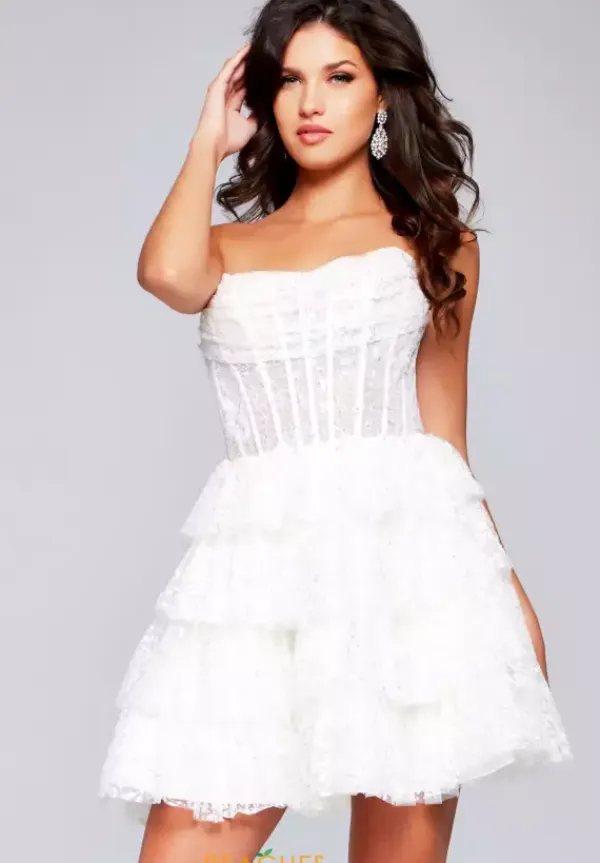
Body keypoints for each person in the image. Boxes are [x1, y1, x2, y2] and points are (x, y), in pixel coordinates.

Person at [98, 1, 573, 861]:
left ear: (383, 95)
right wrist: (208, 139)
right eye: (289, 80)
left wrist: (507, 592)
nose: (311, 102)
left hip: (413, 574)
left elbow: (444, 441)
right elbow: (166, 275)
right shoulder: (224, 247)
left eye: (340, 76)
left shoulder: (439, 245)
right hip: (253, 585)